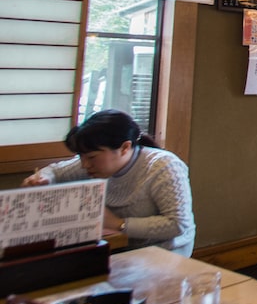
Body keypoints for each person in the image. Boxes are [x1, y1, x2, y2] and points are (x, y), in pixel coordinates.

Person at [21, 109, 195, 256]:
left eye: (91, 157)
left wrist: (118, 223)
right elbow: (56, 171)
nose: (84, 164)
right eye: (81, 157)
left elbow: (177, 224)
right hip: (119, 248)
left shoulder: (163, 166)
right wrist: (42, 179)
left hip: (165, 252)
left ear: (125, 148)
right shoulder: (94, 161)